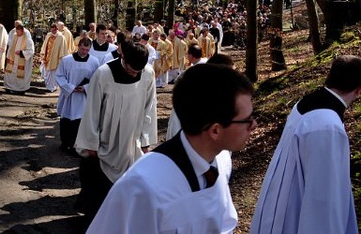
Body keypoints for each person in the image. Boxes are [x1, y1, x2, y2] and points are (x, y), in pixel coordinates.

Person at [87, 63, 256, 234]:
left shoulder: (221, 160)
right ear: (215, 130)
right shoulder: (142, 187)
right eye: (247, 120)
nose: (254, 125)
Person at [251, 55, 361, 233]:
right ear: (358, 90)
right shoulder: (328, 127)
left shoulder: (307, 103)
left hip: (280, 204)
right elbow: (323, 198)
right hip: (296, 215)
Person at [74, 38, 157, 222]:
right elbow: (92, 110)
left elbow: (149, 108)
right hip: (106, 140)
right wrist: (91, 142)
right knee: (97, 181)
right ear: (123, 56)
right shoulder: (104, 74)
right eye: (131, 69)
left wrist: (146, 139)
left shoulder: (147, 73)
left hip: (131, 140)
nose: (134, 74)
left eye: (138, 71)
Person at [55, 38, 100, 152]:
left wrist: (85, 88)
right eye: (82, 49)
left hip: (83, 97)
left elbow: (96, 80)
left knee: (80, 122)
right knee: (66, 120)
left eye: (87, 50)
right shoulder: (66, 60)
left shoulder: (94, 62)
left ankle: (78, 145)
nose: (84, 52)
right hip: (69, 96)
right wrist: (70, 87)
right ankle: (65, 143)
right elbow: (59, 76)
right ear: (78, 46)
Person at [3, 22, 35, 94]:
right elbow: (10, 47)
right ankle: (10, 87)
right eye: (16, 32)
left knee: (19, 75)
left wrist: (21, 53)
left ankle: (20, 89)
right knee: (11, 73)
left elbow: (31, 51)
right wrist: (8, 56)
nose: (17, 33)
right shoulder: (15, 36)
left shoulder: (28, 40)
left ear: (22, 31)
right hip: (13, 59)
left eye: (19, 32)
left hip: (22, 60)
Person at [39, 23, 67, 93]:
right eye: (52, 30)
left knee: (53, 73)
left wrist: (61, 59)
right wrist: (42, 53)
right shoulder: (49, 35)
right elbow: (45, 44)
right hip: (47, 57)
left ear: (57, 29)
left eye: (54, 30)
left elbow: (63, 49)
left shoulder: (61, 37)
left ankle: (53, 87)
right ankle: (48, 86)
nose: (53, 31)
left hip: (55, 59)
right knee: (46, 73)